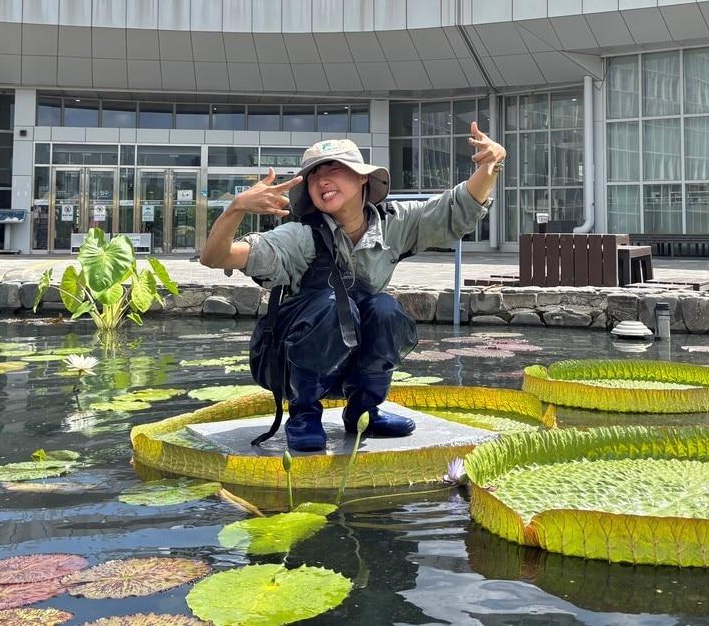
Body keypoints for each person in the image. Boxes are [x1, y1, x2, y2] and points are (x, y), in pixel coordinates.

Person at [200, 123, 506, 452]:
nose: (322, 180)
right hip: (290, 361)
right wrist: (236, 208)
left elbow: (458, 208)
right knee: (335, 303)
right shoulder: (300, 236)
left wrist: (491, 164)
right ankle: (304, 413)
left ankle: (362, 410)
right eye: (314, 174)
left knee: (385, 309)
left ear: (363, 177)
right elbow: (216, 257)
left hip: (349, 356)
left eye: (335, 169)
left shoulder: (395, 223)